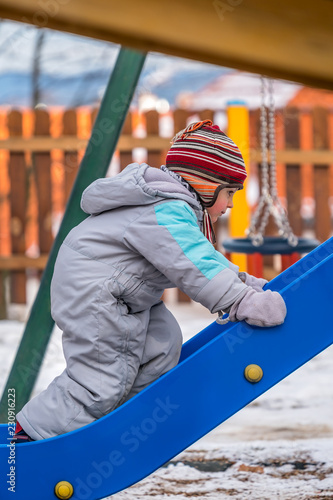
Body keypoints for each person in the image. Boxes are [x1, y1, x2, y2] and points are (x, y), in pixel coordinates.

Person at [13, 119, 286, 442]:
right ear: (204, 183)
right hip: (95, 293)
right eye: (228, 193)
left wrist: (245, 284)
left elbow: (204, 259)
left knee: (162, 345)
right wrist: (240, 300)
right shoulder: (166, 209)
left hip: (122, 293)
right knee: (100, 380)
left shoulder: (169, 207)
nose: (229, 205)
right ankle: (28, 438)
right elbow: (193, 265)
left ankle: (115, 422)